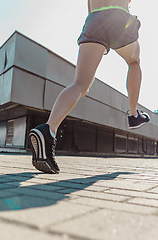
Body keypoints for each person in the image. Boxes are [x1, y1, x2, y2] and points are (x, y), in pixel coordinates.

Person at [28, 0, 150, 174]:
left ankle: (48, 130)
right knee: (133, 61)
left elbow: (90, 9)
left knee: (80, 84)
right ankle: (133, 114)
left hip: (94, 20)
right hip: (119, 18)